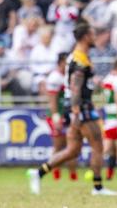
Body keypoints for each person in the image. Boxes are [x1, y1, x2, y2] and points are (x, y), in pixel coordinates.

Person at [27, 22, 117, 196]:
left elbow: (80, 84)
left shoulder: (80, 57)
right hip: (81, 107)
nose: (95, 38)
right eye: (92, 35)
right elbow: (75, 87)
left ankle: (38, 173)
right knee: (98, 146)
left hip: (78, 107)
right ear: (85, 37)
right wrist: (77, 111)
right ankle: (98, 187)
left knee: (72, 150)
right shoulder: (78, 60)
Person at [43, 53, 77, 181]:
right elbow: (52, 99)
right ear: (61, 63)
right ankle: (56, 175)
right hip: (57, 115)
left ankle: (73, 175)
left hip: (69, 115)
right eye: (67, 63)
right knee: (58, 146)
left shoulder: (70, 76)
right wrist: (56, 116)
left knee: (72, 146)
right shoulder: (54, 77)